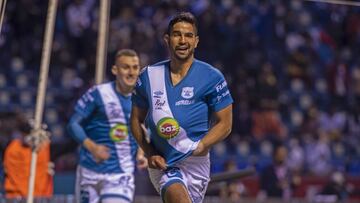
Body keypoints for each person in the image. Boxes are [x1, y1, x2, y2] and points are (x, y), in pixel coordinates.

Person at [131, 12, 233, 203]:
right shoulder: (149, 76)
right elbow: (135, 120)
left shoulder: (212, 77)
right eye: (177, 34)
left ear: (196, 41)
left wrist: (200, 146)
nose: (183, 40)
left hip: (197, 162)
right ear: (167, 40)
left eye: (188, 35)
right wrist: (149, 152)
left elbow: (225, 124)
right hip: (164, 163)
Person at [67, 49, 147, 203]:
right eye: (126, 67)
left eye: (135, 67)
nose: (131, 72)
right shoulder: (98, 94)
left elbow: (141, 128)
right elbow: (73, 124)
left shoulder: (143, 99)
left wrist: (141, 154)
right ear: (115, 70)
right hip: (89, 172)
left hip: (120, 175)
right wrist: (92, 147)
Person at [3, 113, 53, 198]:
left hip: (40, 196)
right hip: (18, 197)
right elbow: (15, 176)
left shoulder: (43, 147)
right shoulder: (14, 149)